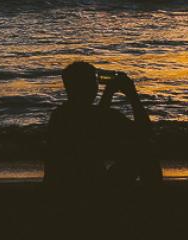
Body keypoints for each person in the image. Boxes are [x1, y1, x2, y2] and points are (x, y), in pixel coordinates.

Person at [44, 62, 161, 193]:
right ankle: (154, 198)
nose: (95, 86)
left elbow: (144, 133)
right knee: (145, 150)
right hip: (83, 189)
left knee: (141, 147)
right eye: (92, 82)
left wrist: (127, 95)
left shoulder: (60, 115)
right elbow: (95, 128)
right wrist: (130, 95)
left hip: (65, 189)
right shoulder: (66, 117)